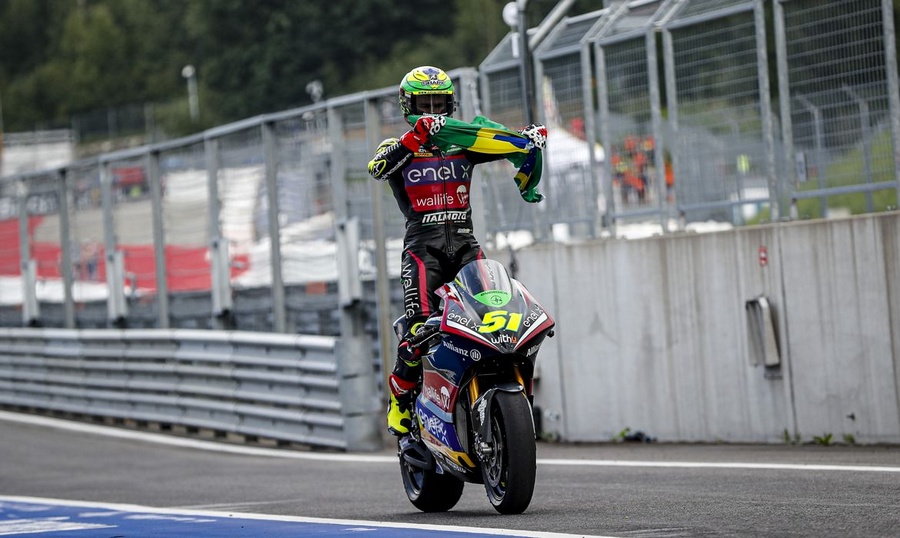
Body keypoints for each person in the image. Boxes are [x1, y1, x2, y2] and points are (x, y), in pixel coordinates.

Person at [367, 65, 547, 436]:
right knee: (419, 329)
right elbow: (378, 168)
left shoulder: (463, 142)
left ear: (451, 106)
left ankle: (490, 392)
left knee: (499, 315)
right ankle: (400, 400)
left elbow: (497, 141)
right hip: (423, 251)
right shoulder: (395, 147)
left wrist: (524, 140)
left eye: (439, 104)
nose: (432, 111)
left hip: (467, 246)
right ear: (408, 106)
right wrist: (415, 137)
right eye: (424, 104)